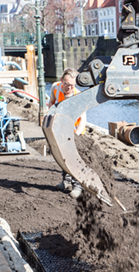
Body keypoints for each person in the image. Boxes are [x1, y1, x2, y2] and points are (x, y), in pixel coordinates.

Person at [48, 68, 87, 199]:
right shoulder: (55, 88)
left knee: (74, 158)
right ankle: (66, 182)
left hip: (75, 130)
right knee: (62, 155)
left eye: (71, 85)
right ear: (61, 81)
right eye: (66, 84)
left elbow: (83, 118)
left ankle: (77, 185)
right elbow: (52, 103)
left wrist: (77, 135)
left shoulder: (78, 95)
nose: (68, 87)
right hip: (61, 128)